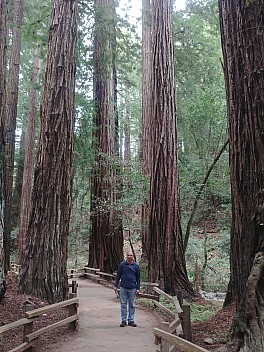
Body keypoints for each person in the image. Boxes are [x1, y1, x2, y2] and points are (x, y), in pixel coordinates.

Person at [114, 251, 140, 327]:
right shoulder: (122, 265)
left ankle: (131, 320)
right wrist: (116, 286)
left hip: (132, 288)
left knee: (132, 304)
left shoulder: (136, 266)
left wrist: (138, 288)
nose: (129, 256)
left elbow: (138, 277)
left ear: (132, 257)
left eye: (131, 255)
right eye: (128, 255)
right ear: (126, 256)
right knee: (123, 305)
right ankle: (123, 321)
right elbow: (118, 275)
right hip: (123, 287)